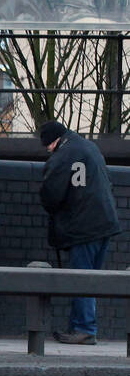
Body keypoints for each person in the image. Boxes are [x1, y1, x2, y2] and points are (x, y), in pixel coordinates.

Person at [38, 121, 121, 345]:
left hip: (83, 227)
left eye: (48, 146)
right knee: (91, 279)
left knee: (81, 278)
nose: (48, 150)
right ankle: (82, 325)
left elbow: (51, 193)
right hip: (104, 223)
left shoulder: (64, 154)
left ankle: (84, 328)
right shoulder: (88, 147)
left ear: (54, 141)